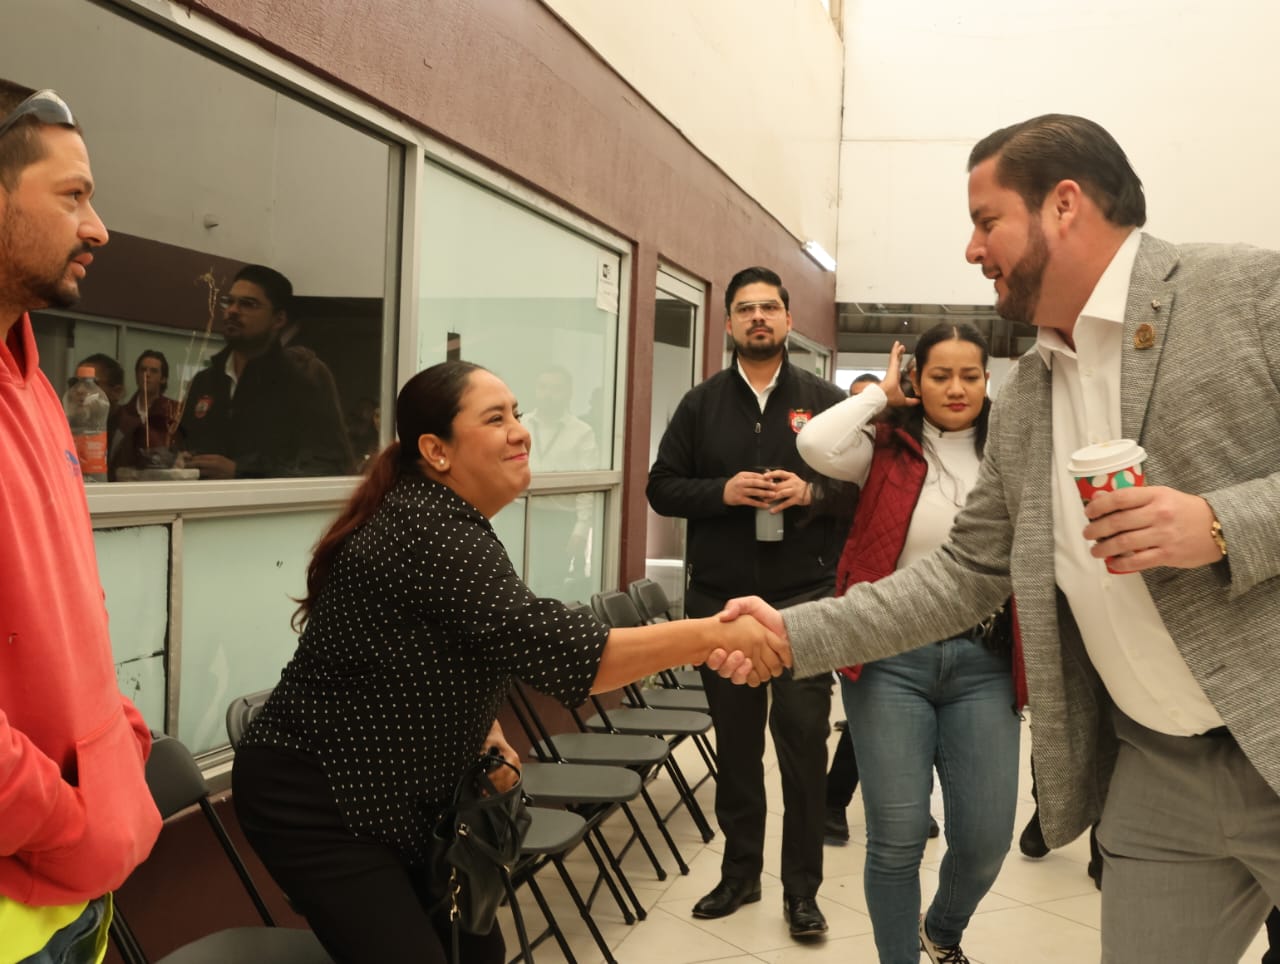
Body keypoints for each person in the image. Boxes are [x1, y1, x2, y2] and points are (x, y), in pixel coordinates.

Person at [723, 113, 1280, 963]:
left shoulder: (1245, 293)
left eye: (987, 222)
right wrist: (792, 633)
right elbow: (964, 574)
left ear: (1063, 205)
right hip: (1159, 775)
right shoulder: (1027, 396)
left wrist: (1218, 524)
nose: (972, 250)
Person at [231, 360, 785, 964]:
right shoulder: (431, 529)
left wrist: (482, 729)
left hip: (411, 792)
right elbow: (571, 656)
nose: (521, 431)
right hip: (322, 799)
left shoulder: (447, 520)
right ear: (436, 451)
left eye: (517, 413)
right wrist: (711, 634)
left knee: (478, 950)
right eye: (496, 419)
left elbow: (449, 647)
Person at [798, 326, 1021, 964]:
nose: (956, 388)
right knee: (896, 838)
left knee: (984, 838)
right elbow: (813, 442)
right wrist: (879, 397)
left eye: (970, 376)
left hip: (984, 658)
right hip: (888, 657)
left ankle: (942, 929)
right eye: (940, 375)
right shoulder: (883, 447)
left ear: (987, 381)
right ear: (916, 380)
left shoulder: (1010, 449)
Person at [0, 82, 161, 963]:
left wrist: (117, 740)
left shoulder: (36, 385)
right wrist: (69, 824)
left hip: (76, 900)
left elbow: (60, 615)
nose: (97, 228)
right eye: (73, 196)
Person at [646, 266, 849, 939]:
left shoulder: (825, 402)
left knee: (801, 747)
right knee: (735, 751)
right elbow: (661, 488)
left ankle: (802, 891)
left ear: (790, 321)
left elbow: (865, 496)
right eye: (745, 309)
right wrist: (723, 493)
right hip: (722, 607)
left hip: (803, 605)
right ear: (728, 325)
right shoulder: (701, 405)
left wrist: (811, 495)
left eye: (769, 307)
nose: (758, 318)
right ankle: (738, 875)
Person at [179, 263, 353, 478]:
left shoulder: (302, 379)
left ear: (278, 319)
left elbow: (330, 465)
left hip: (268, 509)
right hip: (201, 508)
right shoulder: (206, 381)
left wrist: (240, 472)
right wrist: (178, 460)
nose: (232, 311)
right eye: (229, 301)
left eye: (248, 304)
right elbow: (183, 444)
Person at [522, 363, 598, 600]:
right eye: (543, 387)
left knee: (551, 586)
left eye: (556, 389)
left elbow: (587, 485)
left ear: (569, 393)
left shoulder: (582, 431)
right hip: (517, 513)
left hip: (558, 521)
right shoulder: (519, 424)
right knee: (510, 578)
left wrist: (581, 529)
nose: (548, 394)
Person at [110, 349, 181, 475]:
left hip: (164, 481)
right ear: (136, 375)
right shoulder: (121, 414)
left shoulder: (174, 411)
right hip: (126, 482)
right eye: (142, 370)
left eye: (153, 371)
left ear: (163, 379)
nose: (146, 374)